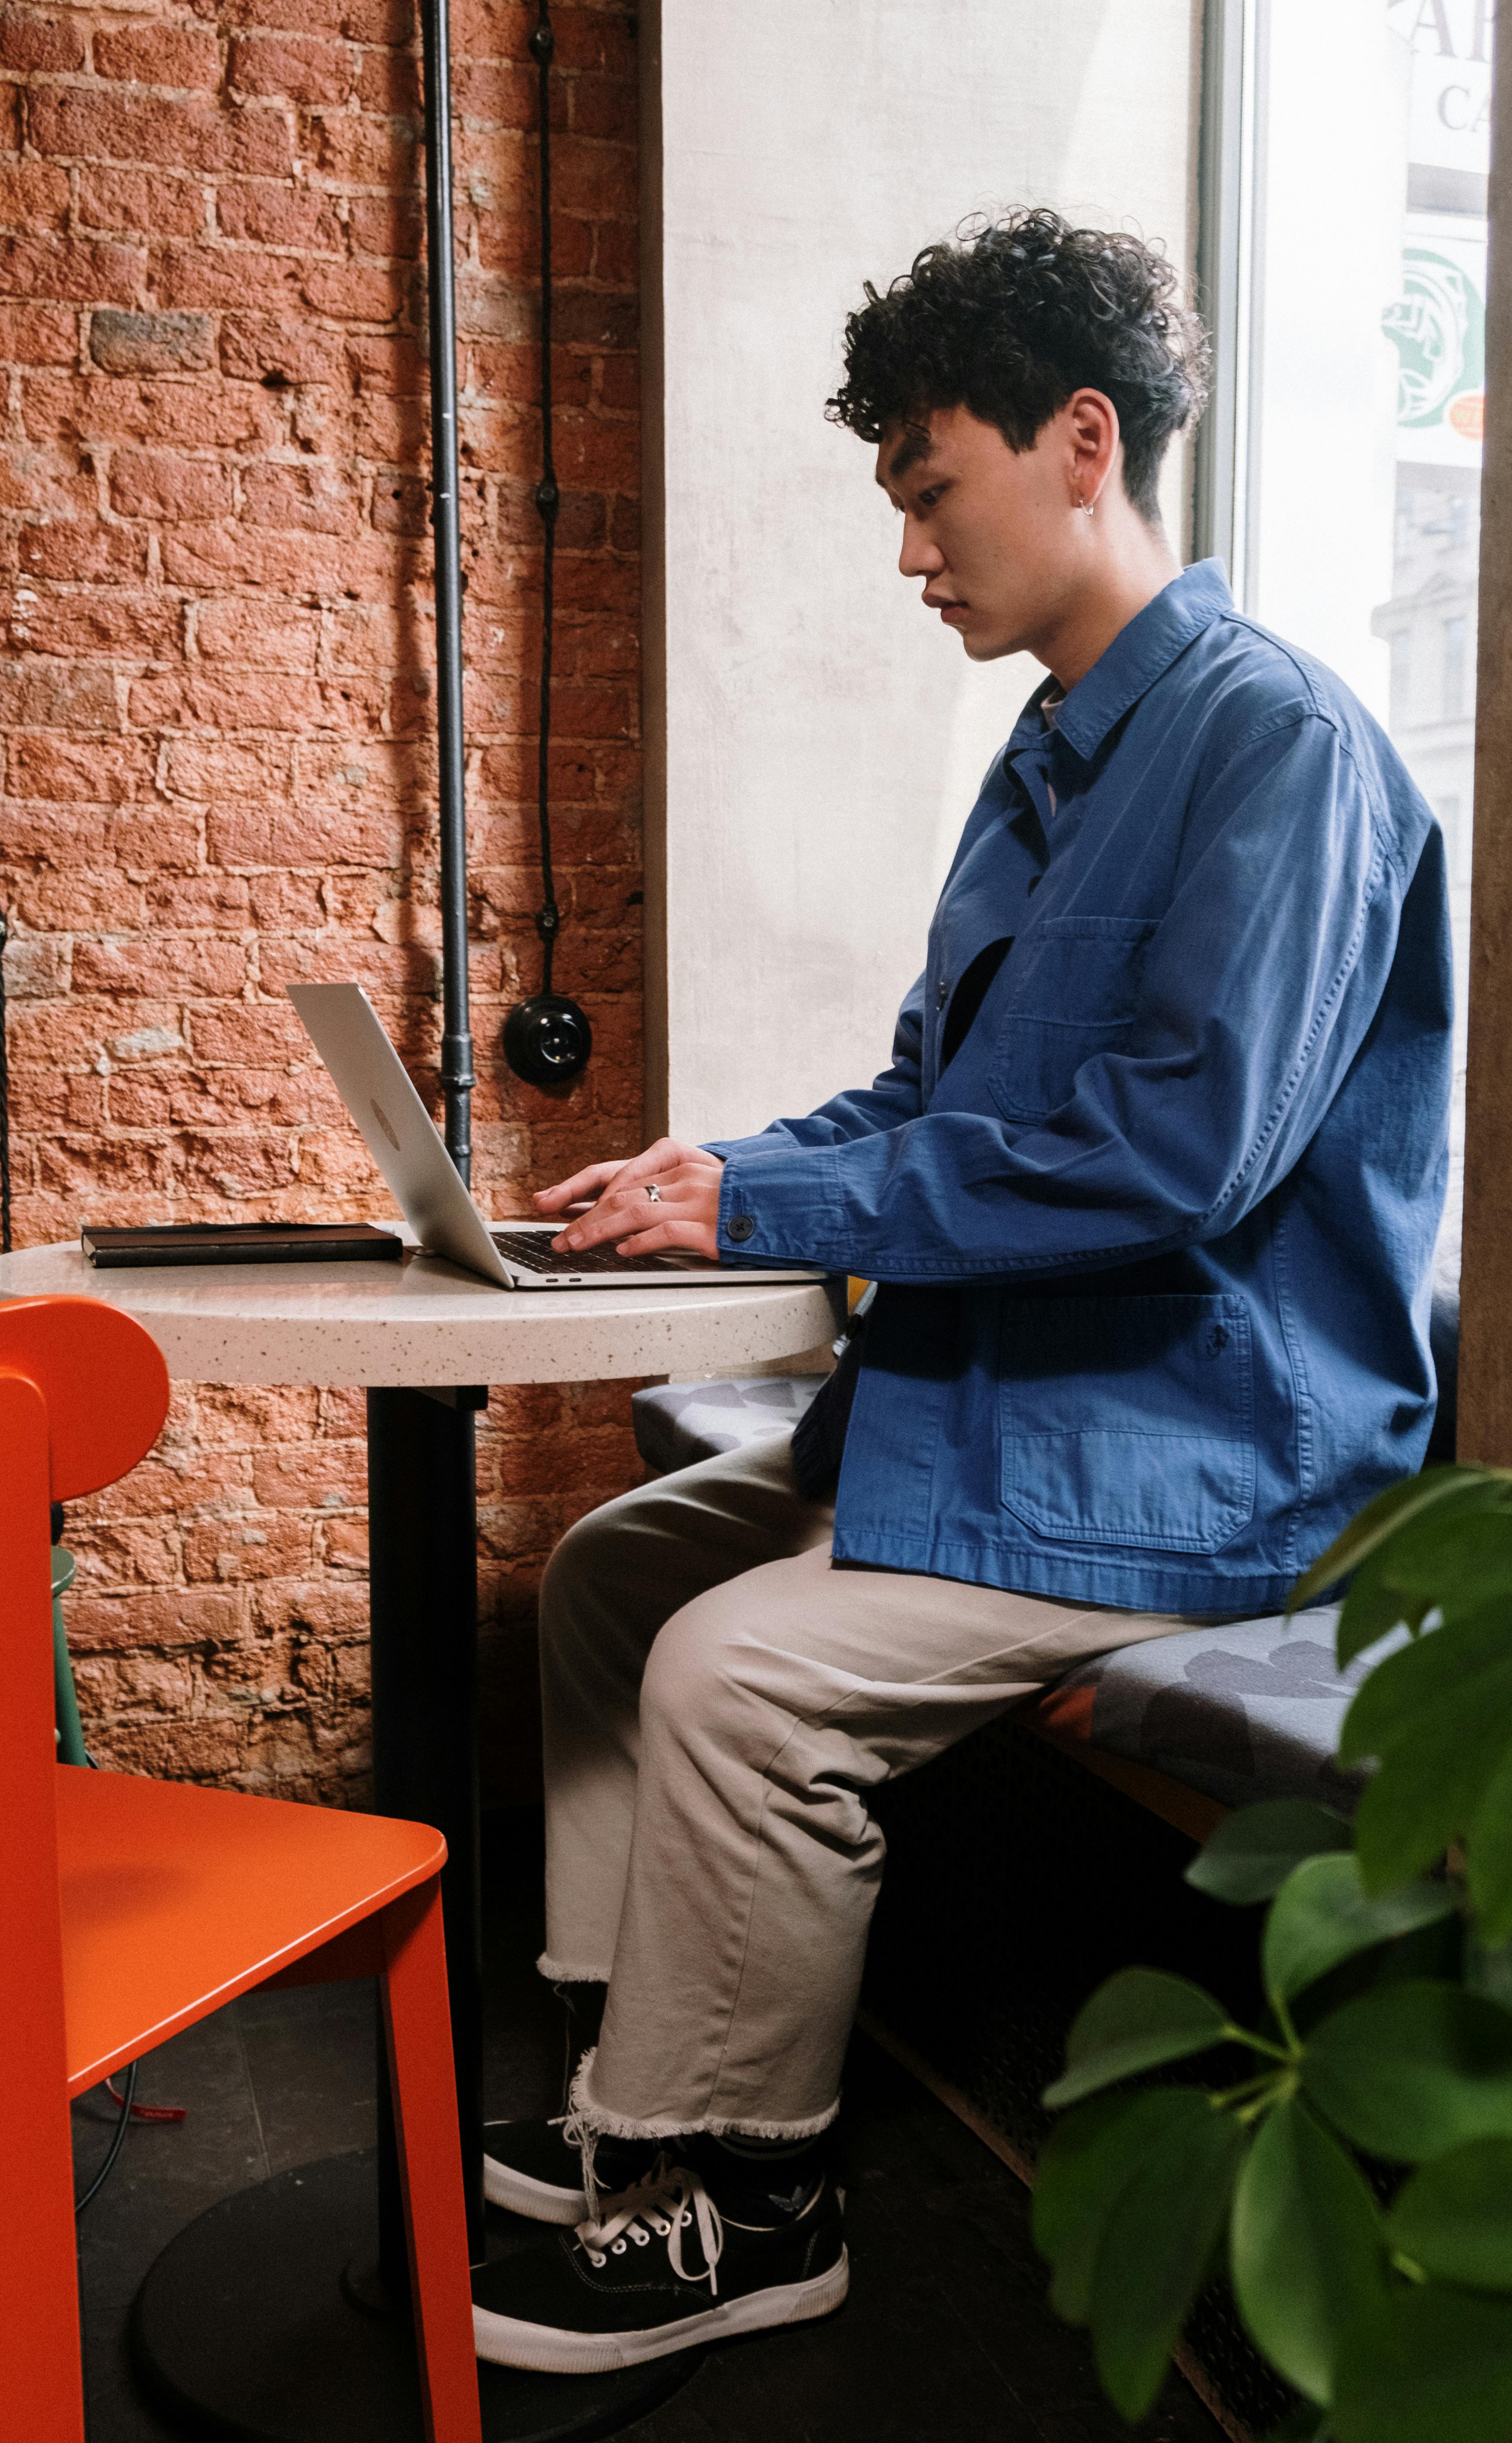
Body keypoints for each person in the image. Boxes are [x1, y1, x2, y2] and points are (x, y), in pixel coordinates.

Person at [469, 209, 1452, 2374]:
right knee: (616, 1580)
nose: (911, 551)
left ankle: (749, 2199)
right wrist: (724, 1170)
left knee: (737, 1673)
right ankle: (638, 2096)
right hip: (1041, 1399)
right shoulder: (1053, 753)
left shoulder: (1279, 748)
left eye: (931, 490)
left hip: (1208, 1453)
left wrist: (767, 1211)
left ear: (1081, 441)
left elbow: (1173, 1155)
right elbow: (932, 1098)